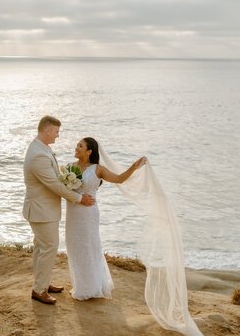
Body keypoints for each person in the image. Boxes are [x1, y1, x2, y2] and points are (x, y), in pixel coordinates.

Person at [23, 116, 95, 305]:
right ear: (47, 130)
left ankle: (42, 284)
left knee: (41, 248)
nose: (58, 135)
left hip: (44, 210)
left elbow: (55, 178)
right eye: (56, 131)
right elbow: (54, 184)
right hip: (41, 211)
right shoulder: (38, 155)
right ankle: (39, 290)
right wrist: (79, 198)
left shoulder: (42, 148)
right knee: (49, 247)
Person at [65, 137, 147, 300]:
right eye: (77, 145)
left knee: (89, 247)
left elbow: (119, 179)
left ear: (89, 152)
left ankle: (92, 287)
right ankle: (80, 285)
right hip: (72, 213)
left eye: (80, 146)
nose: (76, 147)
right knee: (74, 246)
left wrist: (133, 167)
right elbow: (63, 189)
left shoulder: (98, 169)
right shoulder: (69, 167)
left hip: (88, 214)